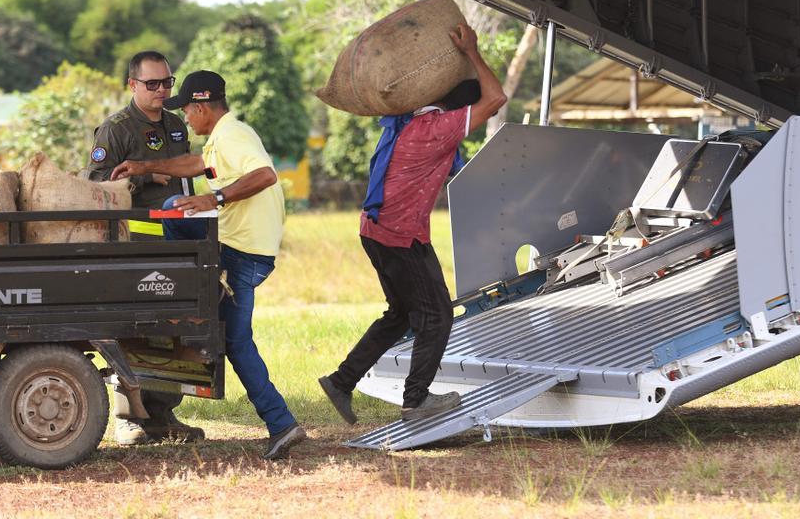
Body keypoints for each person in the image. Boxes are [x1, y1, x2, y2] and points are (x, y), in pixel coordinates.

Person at [111, 70, 306, 460]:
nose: (185, 119)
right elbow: (196, 164)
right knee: (171, 212)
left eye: (187, 112)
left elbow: (266, 175)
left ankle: (281, 424)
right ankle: (192, 299)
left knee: (235, 340)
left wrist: (213, 200)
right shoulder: (220, 140)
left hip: (242, 253)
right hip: (237, 247)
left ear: (201, 107)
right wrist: (144, 166)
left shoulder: (234, 136)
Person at [318, 25, 506, 424]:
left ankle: (341, 381)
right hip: (399, 236)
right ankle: (415, 400)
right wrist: (471, 52)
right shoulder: (436, 128)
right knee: (438, 315)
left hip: (379, 231)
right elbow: (497, 98)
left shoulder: (408, 120)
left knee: (400, 314)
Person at [86, 50, 202, 446]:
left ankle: (163, 414)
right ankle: (128, 418)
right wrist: (145, 176)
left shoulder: (175, 124)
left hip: (177, 241)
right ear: (132, 85)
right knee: (132, 327)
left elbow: (186, 177)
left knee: (171, 327)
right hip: (135, 243)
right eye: (152, 83)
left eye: (167, 82)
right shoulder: (116, 129)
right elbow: (99, 186)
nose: (161, 90)